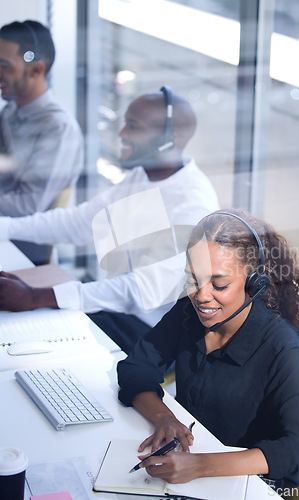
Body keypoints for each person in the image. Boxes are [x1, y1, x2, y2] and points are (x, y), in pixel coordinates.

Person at [0, 88, 220, 352]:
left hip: (151, 331)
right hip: (111, 310)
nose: (122, 134)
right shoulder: (143, 175)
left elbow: (142, 290)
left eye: (133, 127)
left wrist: (37, 296)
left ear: (167, 140)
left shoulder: (193, 204)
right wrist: (6, 227)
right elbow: (79, 223)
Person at [117, 209, 299, 488]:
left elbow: (298, 451)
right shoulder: (189, 311)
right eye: (193, 279)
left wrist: (199, 466)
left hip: (244, 483)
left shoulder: (281, 345)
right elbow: (136, 366)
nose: (201, 295)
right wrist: (164, 418)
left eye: (219, 285)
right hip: (189, 467)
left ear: (254, 283)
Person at [0, 20, 84, 264]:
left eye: (4, 66)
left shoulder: (57, 128)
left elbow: (27, 205)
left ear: (37, 70)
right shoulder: (11, 111)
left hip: (22, 246)